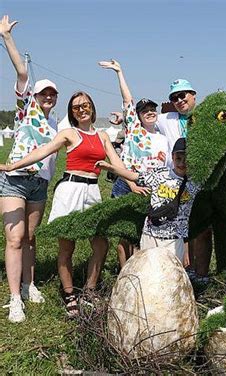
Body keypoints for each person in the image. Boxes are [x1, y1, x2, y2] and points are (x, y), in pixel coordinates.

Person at [0, 91, 126, 317]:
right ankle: (69, 295)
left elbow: (117, 163)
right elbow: (43, 151)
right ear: (72, 113)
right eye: (76, 108)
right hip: (70, 189)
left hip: (93, 190)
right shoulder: (68, 133)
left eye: (85, 105)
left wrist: (134, 182)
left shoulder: (104, 135)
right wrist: (13, 165)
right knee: (67, 246)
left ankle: (89, 290)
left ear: (92, 108)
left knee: (100, 243)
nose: (82, 110)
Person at [0, 15, 59, 322]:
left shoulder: (56, 125)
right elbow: (21, 71)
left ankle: (29, 284)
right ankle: (14, 299)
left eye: (52, 94)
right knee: (14, 238)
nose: (48, 97)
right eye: (43, 93)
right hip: (14, 181)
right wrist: (7, 37)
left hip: (39, 185)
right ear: (35, 97)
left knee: (30, 238)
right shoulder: (26, 111)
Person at [99, 59, 170, 268]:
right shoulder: (134, 129)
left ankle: (141, 270)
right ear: (137, 116)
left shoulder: (163, 137)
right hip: (127, 183)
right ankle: (125, 272)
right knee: (125, 233)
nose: (150, 112)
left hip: (152, 187)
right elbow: (128, 99)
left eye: (152, 109)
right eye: (144, 110)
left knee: (144, 231)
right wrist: (119, 72)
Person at [96, 138, 200, 263]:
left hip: (175, 238)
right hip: (151, 234)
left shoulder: (195, 182)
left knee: (170, 276)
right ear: (172, 157)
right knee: (148, 271)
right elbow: (135, 176)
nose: (182, 163)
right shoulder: (161, 174)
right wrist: (110, 168)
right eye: (178, 158)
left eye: (186, 159)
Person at [157, 79, 212, 283]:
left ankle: (202, 274)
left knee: (203, 228)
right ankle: (183, 271)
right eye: (174, 97)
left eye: (182, 95)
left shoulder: (207, 118)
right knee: (179, 226)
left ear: (193, 95)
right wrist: (123, 119)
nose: (179, 100)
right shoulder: (167, 119)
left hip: (202, 180)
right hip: (176, 180)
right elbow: (142, 118)